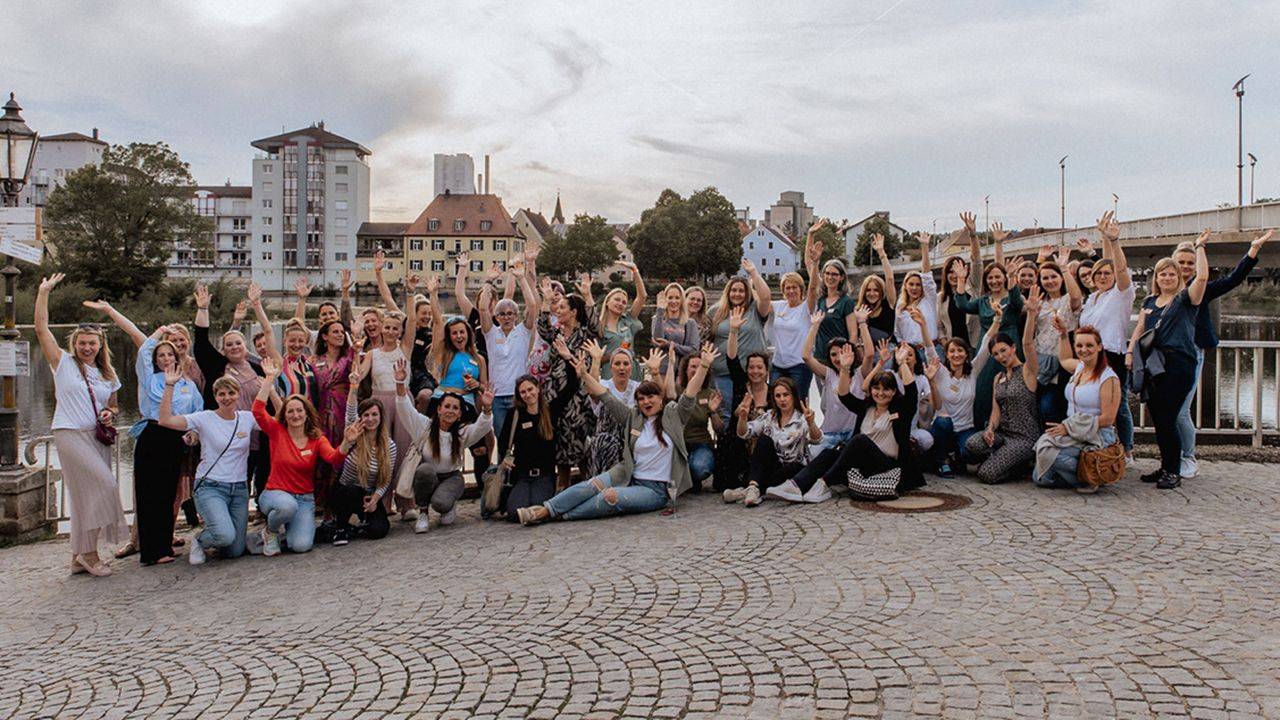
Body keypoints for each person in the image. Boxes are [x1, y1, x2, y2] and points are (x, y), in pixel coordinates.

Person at [515, 344, 717, 525]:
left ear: (660, 399)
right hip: (627, 473)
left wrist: (704, 366)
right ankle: (545, 509)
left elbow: (690, 393)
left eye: (651, 397)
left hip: (656, 490)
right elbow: (606, 396)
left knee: (609, 497)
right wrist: (584, 374)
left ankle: (557, 515)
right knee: (590, 486)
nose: (646, 402)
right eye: (641, 398)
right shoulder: (633, 417)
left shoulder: (674, 415)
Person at [34, 274, 128, 577]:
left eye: (92, 344)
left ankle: (78, 557)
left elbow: (113, 405)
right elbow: (41, 329)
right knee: (105, 485)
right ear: (75, 344)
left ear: (100, 346)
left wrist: (109, 414)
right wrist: (44, 293)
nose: (87, 348)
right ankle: (90, 553)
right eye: (83, 343)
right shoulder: (62, 363)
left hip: (96, 437)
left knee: (83, 495)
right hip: (69, 433)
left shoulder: (107, 375)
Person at [1169, 229, 1270, 478]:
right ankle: (1169, 460)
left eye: (1190, 263)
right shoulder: (1165, 289)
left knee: (1181, 410)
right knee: (1166, 410)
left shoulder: (1200, 289)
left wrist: (1253, 250)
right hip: (1167, 355)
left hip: (1191, 353)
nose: (1185, 267)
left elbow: (1233, 280)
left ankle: (1188, 457)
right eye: (1180, 262)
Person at [253, 358, 359, 555]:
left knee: (300, 546)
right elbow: (258, 411)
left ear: (307, 414)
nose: (295, 415)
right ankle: (271, 531)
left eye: (299, 411)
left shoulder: (316, 438)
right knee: (286, 507)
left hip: (303, 499)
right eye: (290, 411)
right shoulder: (277, 431)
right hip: (276, 495)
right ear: (284, 415)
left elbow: (334, 458)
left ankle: (287, 533)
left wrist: (347, 442)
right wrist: (268, 379)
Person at [1129, 233, 1209, 489]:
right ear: (1157, 278)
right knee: (1158, 418)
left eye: (1171, 273)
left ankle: (1173, 471)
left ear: (1179, 277)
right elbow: (1140, 330)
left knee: (1169, 417)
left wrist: (1200, 248)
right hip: (1154, 365)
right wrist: (1130, 353)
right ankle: (1166, 465)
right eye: (1162, 274)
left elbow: (1204, 278)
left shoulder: (1186, 300)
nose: (1167, 277)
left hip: (1178, 365)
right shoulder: (1150, 301)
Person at [157, 371, 257, 566]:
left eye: (231, 393)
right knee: (225, 536)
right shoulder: (204, 418)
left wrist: (269, 383)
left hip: (239, 489)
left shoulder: (247, 418)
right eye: (221, 394)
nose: (227, 398)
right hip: (211, 486)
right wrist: (169, 386)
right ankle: (200, 540)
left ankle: (219, 532)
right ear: (215, 396)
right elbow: (165, 420)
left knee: (234, 550)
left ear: (238, 394)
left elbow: (278, 421)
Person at [395, 359, 495, 533]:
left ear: (459, 414)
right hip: (428, 476)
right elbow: (405, 409)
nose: (450, 410)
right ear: (439, 409)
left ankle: (447, 506)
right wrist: (400, 384)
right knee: (424, 471)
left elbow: (482, 427)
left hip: (451, 477)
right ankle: (423, 512)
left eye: (455, 408)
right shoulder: (424, 426)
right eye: (447, 406)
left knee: (441, 503)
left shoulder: (461, 433)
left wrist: (486, 408)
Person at [816, 343, 922, 499]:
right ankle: (799, 485)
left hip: (887, 465)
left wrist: (902, 363)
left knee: (859, 440)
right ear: (871, 390)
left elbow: (911, 394)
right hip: (864, 463)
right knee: (828, 454)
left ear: (893, 392)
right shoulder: (866, 407)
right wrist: (845, 369)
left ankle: (824, 484)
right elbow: (844, 396)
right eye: (876, 389)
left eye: (886, 389)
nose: (880, 393)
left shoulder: (900, 410)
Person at [192, 284, 268, 491]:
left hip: (257, 436)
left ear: (246, 348)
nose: (234, 347)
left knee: (262, 479)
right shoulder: (217, 366)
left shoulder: (258, 368)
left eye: (238, 344)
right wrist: (203, 309)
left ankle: (262, 513)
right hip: (227, 436)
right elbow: (200, 342)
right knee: (234, 482)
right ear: (223, 350)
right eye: (229, 345)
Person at [952, 225, 1027, 429]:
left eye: (998, 276)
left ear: (1004, 278)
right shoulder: (983, 301)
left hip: (1010, 347)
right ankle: (983, 428)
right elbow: (963, 305)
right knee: (984, 390)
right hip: (987, 349)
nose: (994, 280)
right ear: (987, 281)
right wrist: (960, 280)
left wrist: (1012, 279)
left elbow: (1019, 304)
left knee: (1013, 388)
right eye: (990, 277)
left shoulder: (1012, 298)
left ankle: (1015, 428)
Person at [963, 295, 1041, 484]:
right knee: (972, 443)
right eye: (996, 354)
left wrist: (1030, 313)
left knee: (986, 474)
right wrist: (990, 429)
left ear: (1013, 348)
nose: (1000, 356)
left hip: (1024, 439)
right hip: (1003, 436)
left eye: (1003, 350)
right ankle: (1004, 459)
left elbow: (1028, 344)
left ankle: (1019, 463)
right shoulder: (998, 378)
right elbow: (995, 412)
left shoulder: (1028, 371)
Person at [1033, 324, 1120, 493]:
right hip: (1074, 434)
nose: (1084, 350)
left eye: (1089, 345)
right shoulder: (1080, 367)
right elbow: (1064, 359)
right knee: (1041, 478)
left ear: (1099, 347)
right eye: (1079, 346)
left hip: (1096, 436)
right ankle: (1081, 473)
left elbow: (1108, 419)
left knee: (1051, 454)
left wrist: (1068, 427)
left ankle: (1091, 477)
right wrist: (1064, 335)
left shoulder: (1108, 378)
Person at [1078, 211, 1136, 457]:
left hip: (1111, 355)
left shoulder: (1121, 294)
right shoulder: (1092, 298)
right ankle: (1100, 446)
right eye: (1098, 273)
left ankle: (1128, 449)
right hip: (1089, 357)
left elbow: (1120, 269)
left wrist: (1112, 241)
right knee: (1093, 402)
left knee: (1118, 405)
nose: (1103, 276)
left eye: (1107, 274)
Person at [535, 281, 598, 488]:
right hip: (554, 395)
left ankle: (588, 487)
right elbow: (542, 326)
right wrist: (545, 300)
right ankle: (562, 487)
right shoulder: (557, 335)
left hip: (576, 398)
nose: (557, 311)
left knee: (580, 445)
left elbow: (584, 368)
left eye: (562, 307)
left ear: (573, 312)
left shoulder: (585, 335)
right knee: (559, 443)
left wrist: (567, 355)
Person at [329, 362, 396, 544]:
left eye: (374, 415)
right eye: (366, 415)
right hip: (346, 491)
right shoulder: (355, 436)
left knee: (379, 530)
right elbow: (350, 412)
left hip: (369, 493)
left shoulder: (389, 445)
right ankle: (342, 526)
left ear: (381, 417)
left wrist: (375, 499)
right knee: (350, 491)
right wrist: (353, 388)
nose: (370, 419)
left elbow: (386, 479)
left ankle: (358, 526)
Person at [497, 372, 579, 519]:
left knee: (538, 505)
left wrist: (567, 359)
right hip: (521, 475)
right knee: (514, 512)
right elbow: (503, 441)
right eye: (523, 392)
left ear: (538, 388)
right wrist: (505, 458)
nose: (528, 394)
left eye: (530, 389)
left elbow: (571, 387)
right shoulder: (515, 415)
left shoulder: (550, 410)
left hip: (544, 475)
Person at [730, 377, 822, 504]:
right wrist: (743, 418)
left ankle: (751, 489)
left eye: (786, 395)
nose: (782, 399)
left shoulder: (802, 419)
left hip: (793, 470)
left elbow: (817, 439)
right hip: (772, 467)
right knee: (764, 440)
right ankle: (754, 488)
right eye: (778, 396)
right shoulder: (769, 417)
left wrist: (811, 423)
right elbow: (744, 433)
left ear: (793, 396)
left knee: (794, 468)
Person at [925, 321, 994, 478]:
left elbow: (985, 346)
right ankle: (942, 461)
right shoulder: (941, 372)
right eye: (952, 351)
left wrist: (996, 320)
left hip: (965, 429)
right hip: (943, 429)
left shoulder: (973, 372)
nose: (956, 354)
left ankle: (957, 457)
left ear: (966, 354)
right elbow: (929, 349)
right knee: (944, 422)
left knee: (973, 452)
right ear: (947, 355)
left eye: (960, 350)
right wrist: (923, 324)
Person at [707, 258, 772, 423]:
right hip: (722, 373)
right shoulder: (716, 311)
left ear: (747, 292)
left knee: (752, 414)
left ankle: (752, 447)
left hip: (751, 374)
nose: (737, 294)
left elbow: (766, 297)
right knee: (727, 415)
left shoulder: (755, 310)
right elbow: (704, 337)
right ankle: (727, 447)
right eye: (734, 290)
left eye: (741, 291)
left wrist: (754, 273)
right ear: (728, 292)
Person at [478, 264, 538, 438]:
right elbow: (483, 308)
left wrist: (521, 278)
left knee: (522, 436)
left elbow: (532, 306)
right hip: (497, 396)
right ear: (496, 317)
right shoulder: (490, 333)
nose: (507, 317)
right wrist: (488, 281)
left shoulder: (523, 332)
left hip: (518, 395)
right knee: (501, 436)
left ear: (516, 316)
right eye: (502, 314)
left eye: (510, 313)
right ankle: (501, 465)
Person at [717, 308, 771, 501]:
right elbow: (731, 359)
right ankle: (748, 488)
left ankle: (748, 488)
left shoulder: (773, 392)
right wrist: (733, 331)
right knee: (723, 482)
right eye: (751, 367)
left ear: (766, 370)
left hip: (762, 445)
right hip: (739, 442)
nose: (755, 371)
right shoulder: (742, 385)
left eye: (759, 367)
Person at [1029, 252, 1083, 423]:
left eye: (1054, 276)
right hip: (1041, 360)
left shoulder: (1068, 300)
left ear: (1061, 278)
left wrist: (1064, 268)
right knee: (1038, 405)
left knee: (1051, 406)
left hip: (1062, 360)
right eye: (1045, 278)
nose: (1050, 281)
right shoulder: (1039, 302)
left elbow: (1076, 296)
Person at [312, 318, 355, 513]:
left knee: (342, 454)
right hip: (321, 413)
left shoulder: (349, 357)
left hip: (342, 411)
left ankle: (339, 503)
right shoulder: (314, 361)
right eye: (335, 332)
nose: (339, 335)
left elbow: (358, 375)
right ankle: (320, 500)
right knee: (322, 455)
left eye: (341, 332)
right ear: (324, 336)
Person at [583, 342, 643, 476]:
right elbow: (592, 390)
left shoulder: (639, 388)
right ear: (611, 367)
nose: (622, 368)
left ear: (631, 367)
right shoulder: (603, 384)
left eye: (626, 364)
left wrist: (656, 372)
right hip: (606, 439)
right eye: (617, 364)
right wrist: (596, 360)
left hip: (631, 439)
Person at [937, 213, 982, 348]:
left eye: (957, 271)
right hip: (953, 350)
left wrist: (972, 235)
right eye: (950, 272)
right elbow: (940, 328)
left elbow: (977, 261)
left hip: (974, 347)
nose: (955, 275)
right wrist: (947, 345)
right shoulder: (941, 297)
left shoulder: (973, 287)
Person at [679, 353, 722, 492]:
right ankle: (687, 479)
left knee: (700, 469)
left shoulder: (710, 393)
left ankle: (690, 477)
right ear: (685, 369)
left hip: (701, 443)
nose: (696, 370)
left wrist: (713, 412)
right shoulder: (677, 389)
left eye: (700, 366)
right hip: (679, 444)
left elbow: (719, 429)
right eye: (693, 366)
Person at [597, 262, 647, 378]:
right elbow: (596, 359)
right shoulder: (598, 326)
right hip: (610, 375)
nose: (620, 304)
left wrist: (635, 270)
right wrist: (615, 355)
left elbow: (642, 297)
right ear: (608, 302)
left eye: (624, 302)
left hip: (632, 374)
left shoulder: (628, 320)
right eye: (617, 300)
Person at [768, 270, 816, 394]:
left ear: (801, 289)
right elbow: (761, 300)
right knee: (776, 404)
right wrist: (752, 277)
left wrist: (814, 265)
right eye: (787, 288)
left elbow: (813, 288)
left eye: (794, 287)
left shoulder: (806, 308)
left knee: (799, 405)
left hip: (799, 366)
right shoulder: (779, 306)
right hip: (777, 366)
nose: (791, 291)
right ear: (783, 291)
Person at [894, 232, 940, 350]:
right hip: (909, 352)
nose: (914, 288)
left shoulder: (928, 300)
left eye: (918, 285)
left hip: (930, 349)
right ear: (905, 286)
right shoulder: (900, 305)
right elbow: (897, 332)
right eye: (911, 284)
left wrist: (924, 248)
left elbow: (927, 277)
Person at [853, 233, 899, 343]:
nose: (872, 293)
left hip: (887, 351)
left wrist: (881, 253)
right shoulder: (858, 310)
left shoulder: (888, 304)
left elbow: (890, 279)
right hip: (868, 353)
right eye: (868, 290)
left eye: (876, 290)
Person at [651, 283, 700, 375]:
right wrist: (660, 311)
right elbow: (657, 341)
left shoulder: (690, 323)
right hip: (661, 371)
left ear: (682, 300)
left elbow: (694, 350)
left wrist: (670, 345)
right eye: (670, 298)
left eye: (677, 298)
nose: (673, 301)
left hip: (681, 373)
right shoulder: (657, 319)